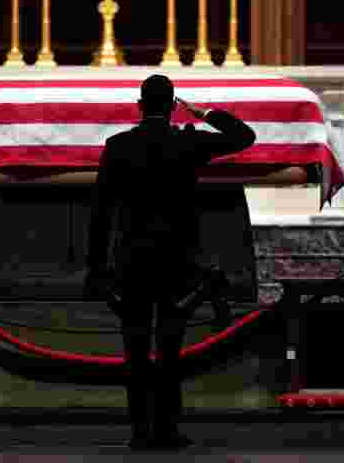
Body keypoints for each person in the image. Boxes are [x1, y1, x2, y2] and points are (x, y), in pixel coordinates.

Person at [86, 74, 256, 450]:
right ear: (172, 105)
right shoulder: (187, 141)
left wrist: (96, 268)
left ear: (140, 105)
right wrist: (205, 113)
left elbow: (100, 212)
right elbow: (245, 137)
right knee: (169, 350)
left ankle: (138, 431)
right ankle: (166, 430)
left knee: (134, 349)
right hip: (177, 260)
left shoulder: (118, 146)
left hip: (130, 260)